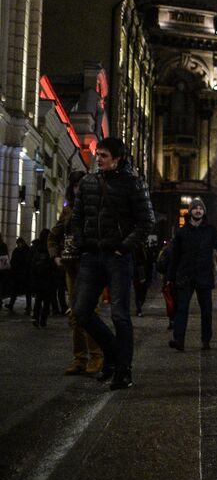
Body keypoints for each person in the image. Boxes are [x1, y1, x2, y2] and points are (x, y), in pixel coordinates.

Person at [72, 136, 154, 390]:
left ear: (117, 160)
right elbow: (77, 216)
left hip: (117, 258)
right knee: (82, 312)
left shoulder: (133, 184)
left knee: (120, 315)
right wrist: (81, 241)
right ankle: (114, 356)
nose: (98, 159)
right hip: (91, 256)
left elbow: (146, 221)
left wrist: (123, 247)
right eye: (98, 155)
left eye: (104, 156)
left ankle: (123, 371)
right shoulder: (88, 182)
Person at [166, 197, 217, 351]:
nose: (198, 210)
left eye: (201, 208)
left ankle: (206, 340)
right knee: (181, 309)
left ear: (204, 212)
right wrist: (170, 277)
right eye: (195, 208)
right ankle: (179, 339)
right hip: (185, 275)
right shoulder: (182, 232)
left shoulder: (210, 231)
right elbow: (175, 256)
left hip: (204, 275)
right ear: (190, 211)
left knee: (206, 311)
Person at [52, 174, 104, 375]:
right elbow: (53, 236)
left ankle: (97, 355)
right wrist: (55, 255)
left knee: (90, 312)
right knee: (76, 314)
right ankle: (79, 358)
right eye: (75, 187)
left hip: (92, 267)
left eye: (82, 186)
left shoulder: (98, 208)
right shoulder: (68, 211)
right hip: (72, 268)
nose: (78, 190)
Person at [30, 229, 61, 328]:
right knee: (47, 301)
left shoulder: (35, 247)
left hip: (38, 278)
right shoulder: (51, 249)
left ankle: (35, 317)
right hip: (49, 278)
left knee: (38, 300)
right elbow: (55, 264)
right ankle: (43, 319)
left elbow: (31, 263)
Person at [5, 237, 32, 313]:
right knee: (15, 290)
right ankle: (11, 304)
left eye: (18, 243)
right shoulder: (21, 250)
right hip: (18, 273)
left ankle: (28, 306)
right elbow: (13, 261)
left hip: (24, 273)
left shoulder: (26, 250)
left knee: (26, 291)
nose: (18, 245)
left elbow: (27, 262)